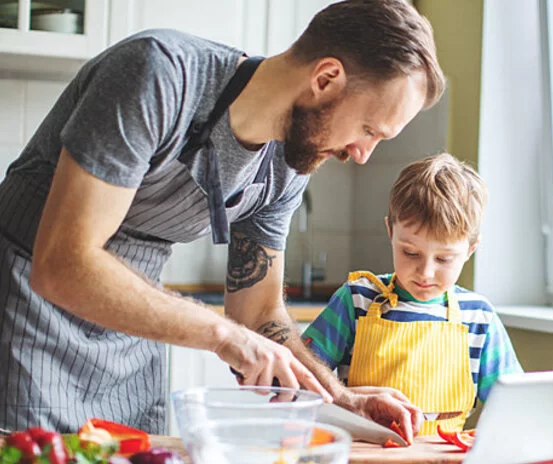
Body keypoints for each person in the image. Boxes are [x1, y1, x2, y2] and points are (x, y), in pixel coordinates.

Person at [0, 0, 445, 437]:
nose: (363, 155)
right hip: (21, 308)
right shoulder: (159, 74)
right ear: (326, 78)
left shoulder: (288, 164)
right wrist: (221, 334)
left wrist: (343, 398)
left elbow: (257, 311)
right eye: (369, 129)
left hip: (128, 340)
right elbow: (61, 264)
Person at [301, 153, 523, 438]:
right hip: (365, 456)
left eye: (444, 259)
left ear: (470, 250)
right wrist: (344, 397)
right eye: (410, 252)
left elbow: (512, 406)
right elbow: (301, 379)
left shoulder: (479, 318)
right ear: (390, 231)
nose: (425, 273)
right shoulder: (356, 300)